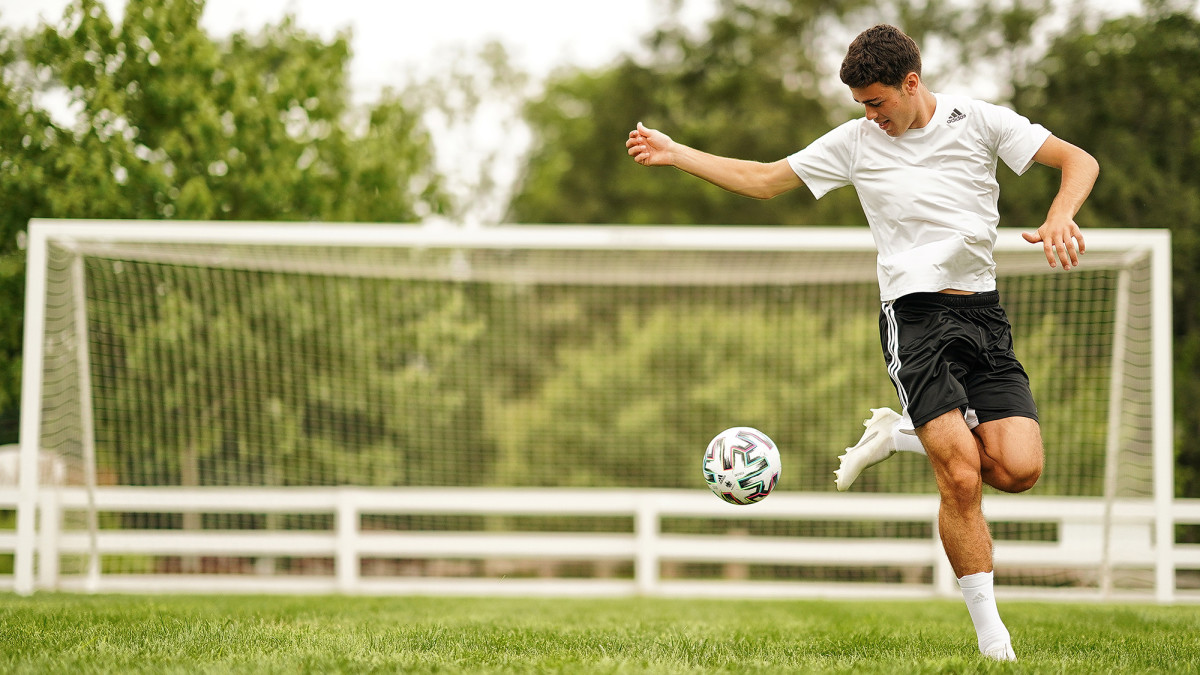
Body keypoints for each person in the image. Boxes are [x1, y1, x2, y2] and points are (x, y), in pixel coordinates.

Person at [625, 23, 1098, 662]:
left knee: (1019, 469)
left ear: (911, 84)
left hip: (983, 316)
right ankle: (995, 644)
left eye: (877, 102)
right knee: (960, 473)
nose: (870, 117)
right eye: (861, 107)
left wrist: (1061, 212)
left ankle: (898, 436)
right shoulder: (856, 142)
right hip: (915, 321)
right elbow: (764, 179)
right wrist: (678, 152)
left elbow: (1078, 160)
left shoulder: (981, 122)